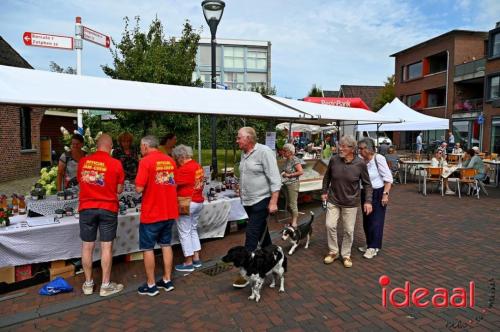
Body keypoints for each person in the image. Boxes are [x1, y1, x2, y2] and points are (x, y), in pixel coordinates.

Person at [233, 127, 281, 288]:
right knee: (263, 233)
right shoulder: (244, 153)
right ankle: (272, 260)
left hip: (262, 199)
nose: (237, 140)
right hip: (248, 201)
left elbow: (275, 178)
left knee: (252, 233)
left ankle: (246, 272)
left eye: (239, 137)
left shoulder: (264, 152)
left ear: (248, 138)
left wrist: (273, 201)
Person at [77, 134, 125, 297]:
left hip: (86, 207)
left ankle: (88, 284)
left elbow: (81, 182)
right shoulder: (116, 163)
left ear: (97, 145)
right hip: (108, 208)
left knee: (87, 246)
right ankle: (105, 285)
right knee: (106, 247)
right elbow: (119, 190)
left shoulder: (83, 162)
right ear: (110, 146)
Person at [135, 136, 178, 296]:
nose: (140, 149)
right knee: (166, 244)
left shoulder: (145, 161)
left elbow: (139, 188)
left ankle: (151, 284)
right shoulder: (170, 160)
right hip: (169, 211)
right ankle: (167, 280)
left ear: (146, 146)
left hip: (152, 212)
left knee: (148, 248)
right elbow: (175, 182)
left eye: (141, 146)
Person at [321, 135, 373, 268]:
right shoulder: (334, 160)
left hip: (351, 203)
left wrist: (368, 201)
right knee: (330, 225)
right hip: (334, 199)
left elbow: (367, 184)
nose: (340, 148)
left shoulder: (360, 164)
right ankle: (333, 251)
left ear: (352, 149)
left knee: (349, 230)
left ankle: (346, 254)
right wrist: (324, 192)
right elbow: (327, 177)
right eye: (340, 145)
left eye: (344, 146)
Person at [357, 138, 393, 259]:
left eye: (362, 148)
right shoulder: (362, 160)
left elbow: (388, 178)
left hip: (377, 192)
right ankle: (369, 243)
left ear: (369, 149)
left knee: (376, 221)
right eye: (359, 148)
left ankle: (373, 247)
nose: (360, 151)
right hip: (365, 192)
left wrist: (385, 195)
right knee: (366, 220)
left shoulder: (378, 159)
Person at [172, 144, 204, 272]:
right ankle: (196, 258)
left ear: (180, 157)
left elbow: (172, 184)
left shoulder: (184, 169)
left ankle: (188, 262)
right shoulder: (197, 166)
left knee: (184, 232)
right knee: (192, 230)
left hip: (187, 203)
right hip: (197, 201)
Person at [280, 143, 304, 228]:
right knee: (289, 205)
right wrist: (283, 173)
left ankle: (294, 223)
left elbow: (301, 171)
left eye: (284, 150)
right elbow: (285, 170)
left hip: (293, 184)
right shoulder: (287, 160)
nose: (283, 152)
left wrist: (289, 175)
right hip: (286, 184)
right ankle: (294, 217)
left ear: (290, 152)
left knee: (292, 204)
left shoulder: (294, 159)